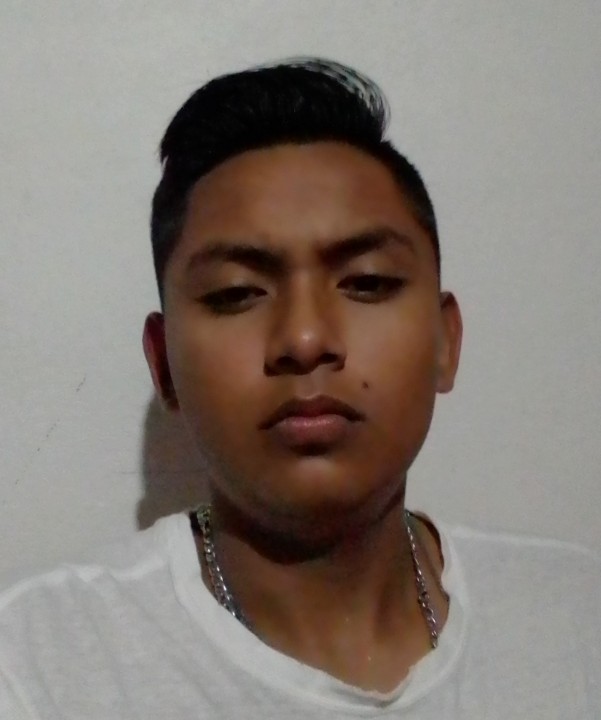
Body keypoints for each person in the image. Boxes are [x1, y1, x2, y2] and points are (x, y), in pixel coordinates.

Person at [1, 58, 599, 719]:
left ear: (444, 343)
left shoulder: (575, 621)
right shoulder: (36, 668)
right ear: (163, 363)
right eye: (236, 293)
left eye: (367, 283)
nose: (306, 338)